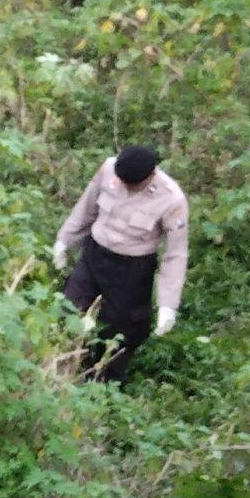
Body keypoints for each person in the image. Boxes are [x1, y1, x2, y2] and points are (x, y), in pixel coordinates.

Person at [52, 145, 188, 383]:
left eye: (132, 185)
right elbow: (86, 208)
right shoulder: (108, 169)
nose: (124, 187)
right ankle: (64, 368)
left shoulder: (172, 199)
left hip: (132, 269)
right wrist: (64, 241)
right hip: (94, 255)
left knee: (121, 329)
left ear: (151, 176)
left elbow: (175, 255)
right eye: (121, 181)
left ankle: (105, 383)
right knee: (70, 309)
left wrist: (168, 305)